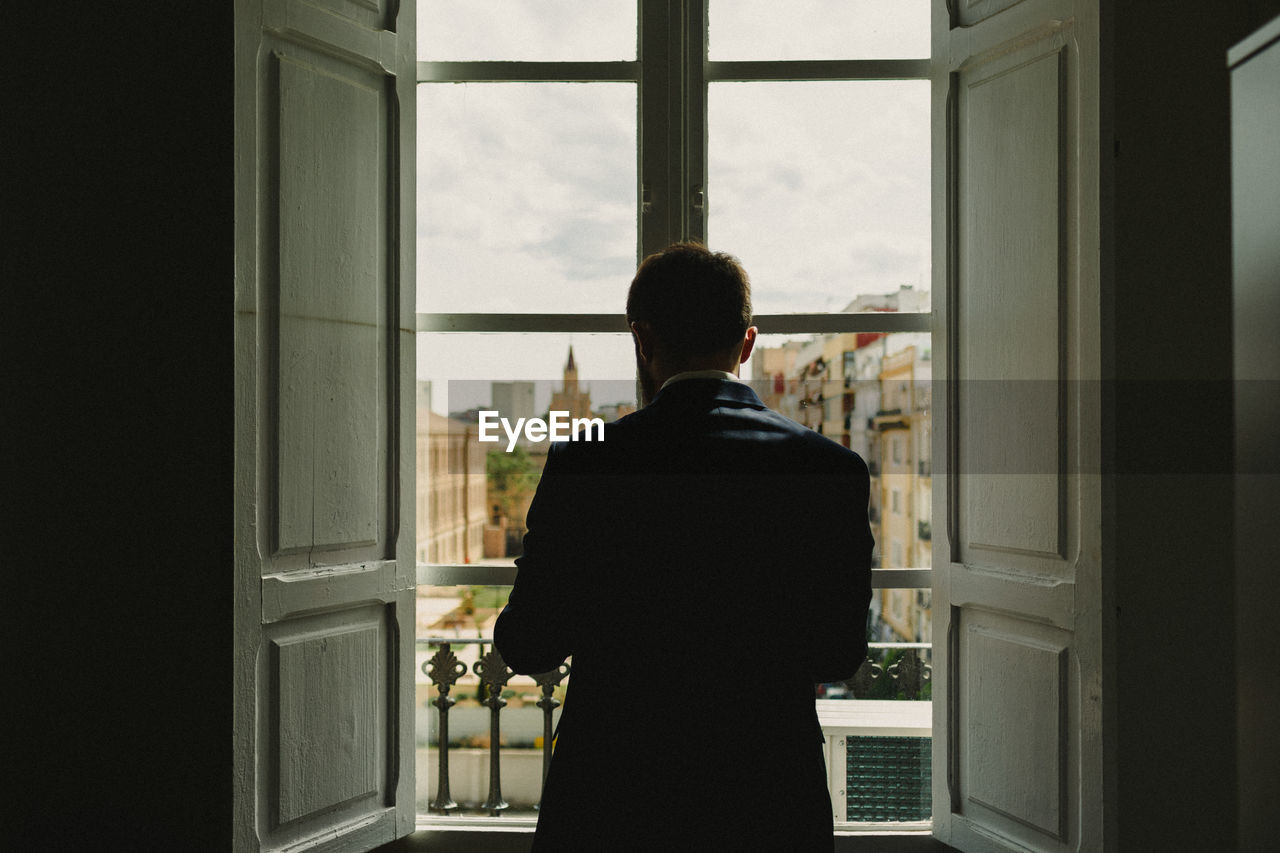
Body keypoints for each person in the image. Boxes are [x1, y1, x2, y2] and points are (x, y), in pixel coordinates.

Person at [494, 242, 874, 851]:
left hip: (613, 797)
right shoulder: (830, 469)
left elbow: (527, 643)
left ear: (642, 339)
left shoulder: (584, 464)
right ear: (746, 344)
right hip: (768, 800)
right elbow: (837, 655)